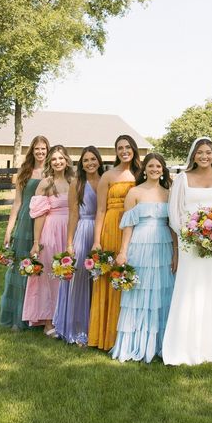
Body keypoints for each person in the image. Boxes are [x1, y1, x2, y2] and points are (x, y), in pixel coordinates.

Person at [162, 137, 212, 365]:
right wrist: (192, 235)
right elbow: (174, 214)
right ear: (193, 156)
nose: (204, 156)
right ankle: (185, 346)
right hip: (190, 244)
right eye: (200, 153)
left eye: (208, 152)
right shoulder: (182, 179)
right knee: (189, 288)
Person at [111, 153, 176, 363]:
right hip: (140, 244)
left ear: (163, 169)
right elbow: (128, 225)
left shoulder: (169, 193)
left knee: (161, 292)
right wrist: (123, 251)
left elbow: (173, 226)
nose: (155, 169)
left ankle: (159, 343)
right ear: (145, 169)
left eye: (158, 166)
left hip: (164, 245)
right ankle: (135, 344)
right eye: (151, 166)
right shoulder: (135, 192)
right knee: (140, 292)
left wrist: (176, 252)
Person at [87, 135, 140, 351]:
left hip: (137, 229)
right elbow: (100, 210)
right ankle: (107, 335)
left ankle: (130, 335)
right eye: (120, 148)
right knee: (110, 278)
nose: (124, 151)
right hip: (111, 225)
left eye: (128, 147)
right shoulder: (108, 175)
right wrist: (96, 240)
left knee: (132, 275)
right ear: (115, 151)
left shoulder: (141, 173)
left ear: (134, 149)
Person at [54, 146, 104, 344]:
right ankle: (78, 328)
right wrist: (69, 242)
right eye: (86, 160)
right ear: (81, 164)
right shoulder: (78, 182)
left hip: (103, 231)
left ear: (99, 161)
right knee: (81, 279)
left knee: (99, 279)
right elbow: (73, 214)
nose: (90, 163)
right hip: (83, 231)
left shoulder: (105, 180)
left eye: (93, 159)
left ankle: (97, 326)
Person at [0, 136, 50, 330]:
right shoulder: (25, 171)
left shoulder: (52, 170)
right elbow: (17, 203)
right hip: (24, 224)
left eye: (43, 149)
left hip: (44, 223)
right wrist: (9, 229)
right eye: (37, 148)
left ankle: (39, 316)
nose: (40, 152)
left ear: (48, 150)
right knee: (21, 268)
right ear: (32, 151)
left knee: (41, 268)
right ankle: (18, 317)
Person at [22, 145, 74, 336]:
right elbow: (39, 215)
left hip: (70, 230)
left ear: (67, 160)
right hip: (51, 231)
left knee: (69, 273)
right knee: (50, 276)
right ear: (50, 162)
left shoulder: (74, 181)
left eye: (61, 158)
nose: (58, 162)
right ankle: (48, 321)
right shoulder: (45, 183)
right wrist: (37, 242)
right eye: (54, 159)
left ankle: (67, 317)